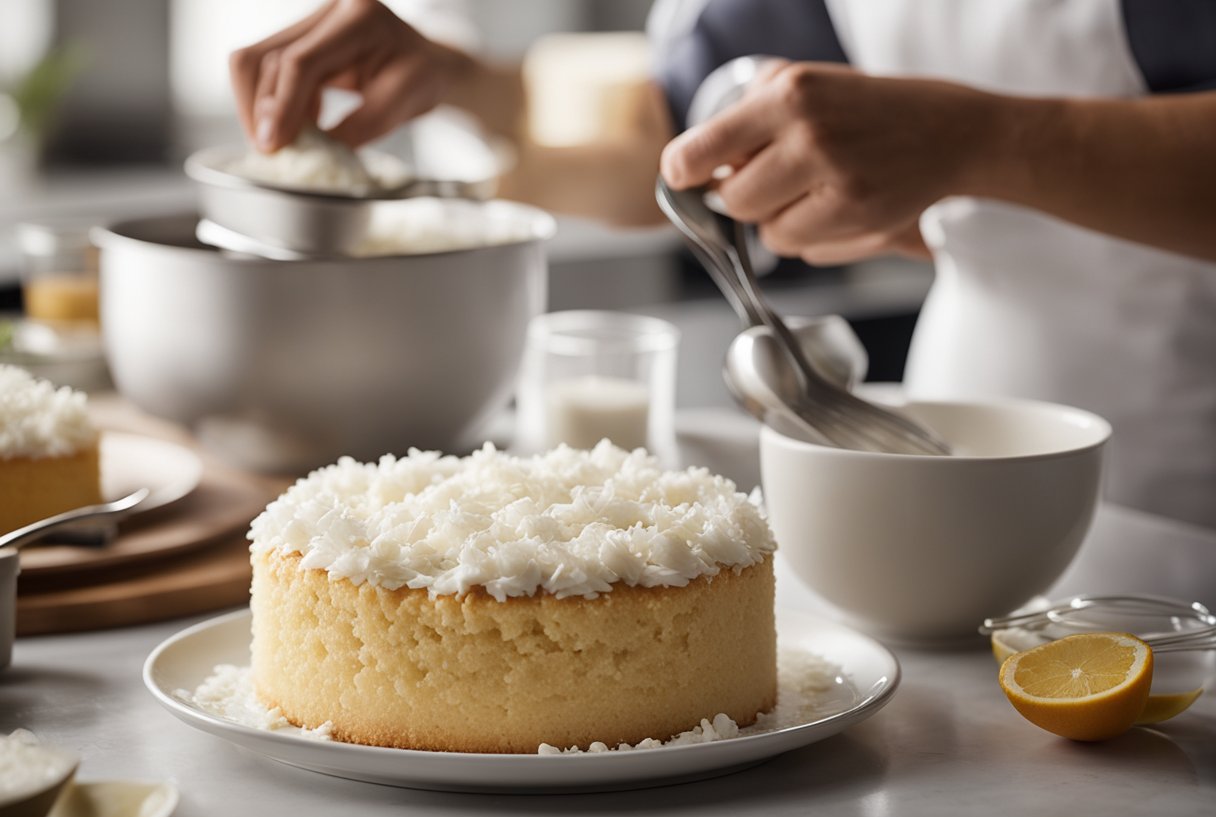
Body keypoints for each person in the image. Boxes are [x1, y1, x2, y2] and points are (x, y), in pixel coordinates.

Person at [230, 0, 1216, 530]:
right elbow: (672, 137)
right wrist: (459, 85)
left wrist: (986, 140)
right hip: (955, 466)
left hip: (1188, 481)